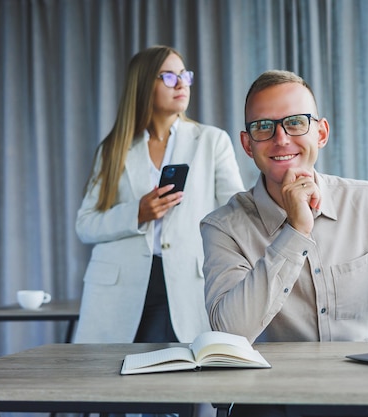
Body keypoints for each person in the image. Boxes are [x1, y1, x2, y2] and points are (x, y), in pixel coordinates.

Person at [200, 70, 368, 416]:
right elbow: (231, 331)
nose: (281, 138)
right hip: (271, 398)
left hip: (359, 393)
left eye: (296, 123)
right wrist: (296, 231)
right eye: (263, 127)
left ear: (321, 133)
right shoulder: (222, 227)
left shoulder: (365, 201)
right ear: (247, 144)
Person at [74, 45, 244, 349]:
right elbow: (86, 226)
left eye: (184, 75)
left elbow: (234, 215)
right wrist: (136, 213)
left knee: (179, 386)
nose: (181, 84)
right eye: (168, 76)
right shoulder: (113, 149)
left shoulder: (211, 141)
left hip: (186, 285)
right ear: (143, 86)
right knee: (115, 385)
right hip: (119, 290)